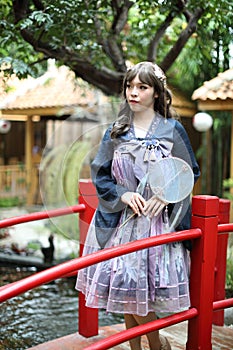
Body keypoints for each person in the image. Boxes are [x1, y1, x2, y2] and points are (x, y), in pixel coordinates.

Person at [76, 61, 200, 350]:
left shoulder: (172, 130)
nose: (133, 93)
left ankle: (155, 347)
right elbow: (101, 173)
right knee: (127, 291)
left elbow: (189, 170)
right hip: (121, 222)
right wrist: (122, 194)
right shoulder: (117, 131)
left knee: (136, 294)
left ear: (156, 93)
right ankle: (153, 346)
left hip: (155, 224)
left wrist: (165, 194)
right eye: (130, 87)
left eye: (142, 87)